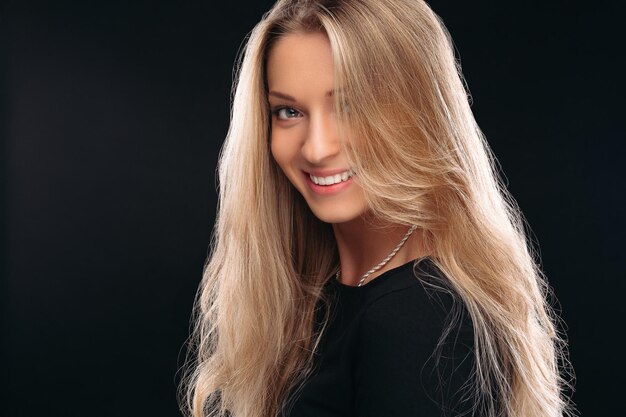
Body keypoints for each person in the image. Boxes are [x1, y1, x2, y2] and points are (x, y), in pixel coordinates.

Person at [181, 1, 574, 416]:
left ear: (418, 110)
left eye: (349, 105)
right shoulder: (329, 294)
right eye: (289, 111)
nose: (317, 148)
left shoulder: (418, 319)